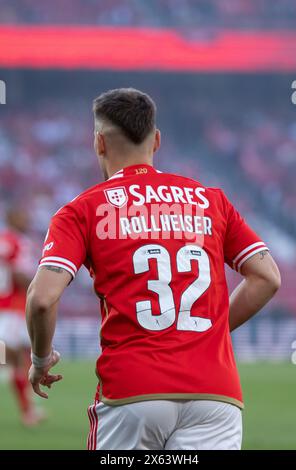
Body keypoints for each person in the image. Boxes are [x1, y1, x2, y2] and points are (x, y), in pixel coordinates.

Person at [26, 88, 281, 450]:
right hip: (215, 394)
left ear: (99, 143)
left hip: (133, 393)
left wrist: (39, 359)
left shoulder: (82, 210)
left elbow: (40, 299)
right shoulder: (212, 200)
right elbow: (268, 278)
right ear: (156, 140)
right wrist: (210, 331)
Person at [0, 207, 45, 426]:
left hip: (10, 309)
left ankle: (29, 412)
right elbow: (18, 276)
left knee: (16, 359)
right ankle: (28, 411)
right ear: (10, 217)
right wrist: (40, 290)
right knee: (11, 357)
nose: (25, 217)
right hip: (10, 309)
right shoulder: (16, 242)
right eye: (20, 214)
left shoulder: (7, 240)